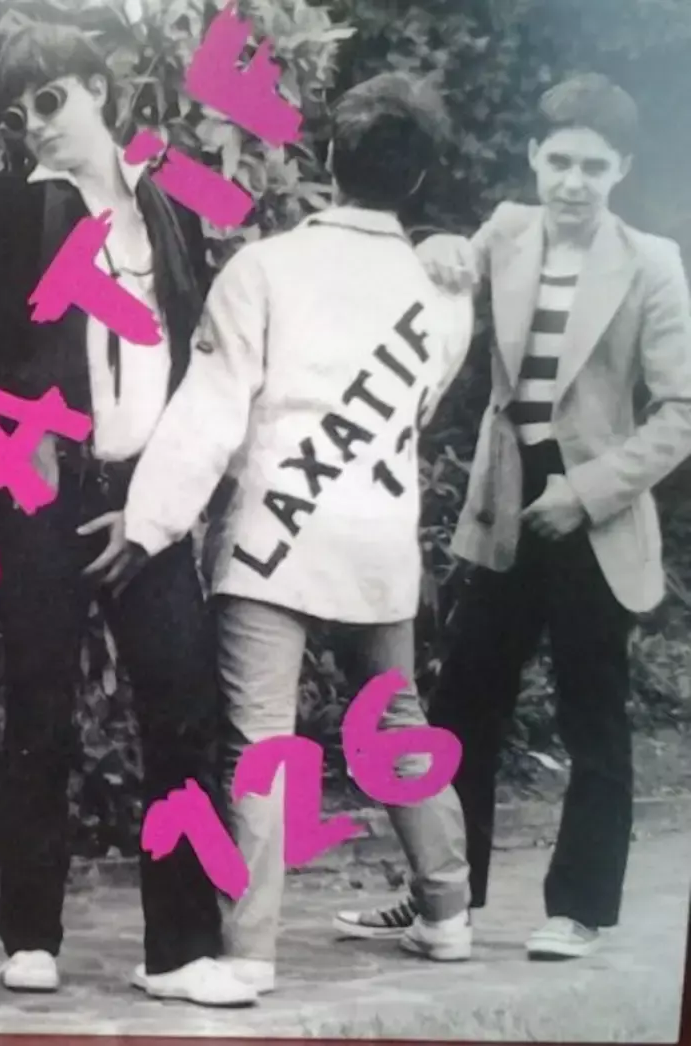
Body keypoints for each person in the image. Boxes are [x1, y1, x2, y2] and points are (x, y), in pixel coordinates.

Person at [0, 21, 255, 1008]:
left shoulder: (171, 207)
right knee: (40, 703)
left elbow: (197, 355)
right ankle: (30, 933)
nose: (36, 124)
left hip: (147, 493)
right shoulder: (14, 208)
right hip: (46, 494)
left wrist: (160, 500)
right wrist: (9, 429)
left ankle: (180, 949)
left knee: (182, 705)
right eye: (18, 114)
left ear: (103, 87)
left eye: (50, 99)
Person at [95, 71, 477, 994]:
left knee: (259, 742)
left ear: (330, 159)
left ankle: (250, 953)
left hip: (273, 538)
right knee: (394, 718)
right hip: (381, 537)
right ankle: (447, 913)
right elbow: (424, 402)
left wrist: (147, 523)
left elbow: (210, 412)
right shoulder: (445, 288)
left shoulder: (264, 268)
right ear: (420, 179)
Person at [357, 72, 691, 960]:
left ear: (621, 170)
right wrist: (436, 247)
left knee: (594, 715)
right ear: (535, 157)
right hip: (506, 503)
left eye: (594, 167)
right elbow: (446, 264)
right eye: (560, 162)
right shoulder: (507, 228)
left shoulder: (652, 261)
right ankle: (443, 898)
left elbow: (681, 412)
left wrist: (587, 492)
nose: (574, 182)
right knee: (463, 702)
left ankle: (578, 910)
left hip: (595, 510)